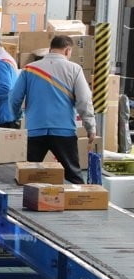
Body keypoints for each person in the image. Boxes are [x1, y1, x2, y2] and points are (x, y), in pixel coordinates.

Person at [10, 35, 96, 184]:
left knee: (27, 176)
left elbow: (14, 98)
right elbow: (84, 101)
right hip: (63, 130)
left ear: (50, 49)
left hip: (35, 130)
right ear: (68, 50)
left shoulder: (29, 69)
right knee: (74, 177)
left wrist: (16, 118)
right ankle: (80, 203)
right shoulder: (74, 69)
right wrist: (90, 127)